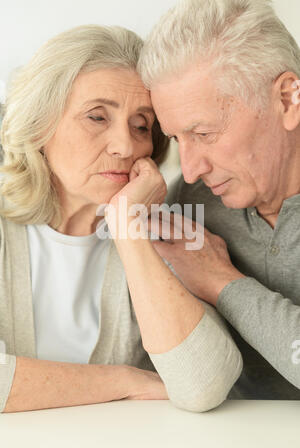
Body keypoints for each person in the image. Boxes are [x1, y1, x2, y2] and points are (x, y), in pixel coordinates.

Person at [0, 25, 242, 413]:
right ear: (40, 124)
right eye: (97, 117)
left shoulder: (171, 227)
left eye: (141, 125)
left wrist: (128, 229)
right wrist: (125, 380)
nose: (126, 145)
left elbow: (204, 384)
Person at [138, 0, 300, 399]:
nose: (190, 169)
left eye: (204, 133)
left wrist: (220, 281)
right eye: (177, 138)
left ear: (287, 98)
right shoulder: (189, 203)